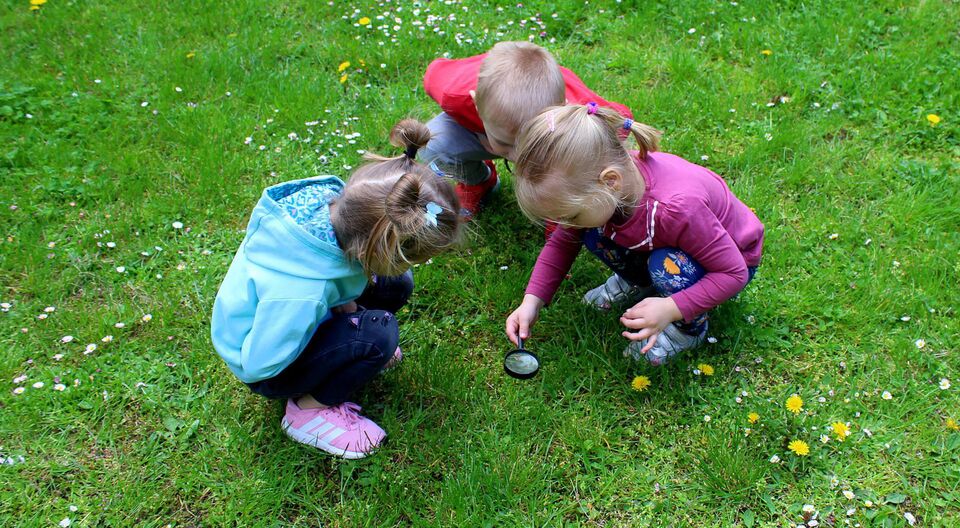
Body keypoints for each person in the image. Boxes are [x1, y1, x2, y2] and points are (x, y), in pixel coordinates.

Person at [211, 120, 462, 459]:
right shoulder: (300, 294)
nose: (412, 267)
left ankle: (347, 345)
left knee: (395, 286)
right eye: (410, 259)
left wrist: (344, 308)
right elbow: (258, 364)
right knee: (378, 336)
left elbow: (338, 276)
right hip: (266, 360)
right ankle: (307, 411)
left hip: (302, 310)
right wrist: (332, 334)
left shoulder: (340, 213)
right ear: (377, 250)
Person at [505, 103, 764, 365]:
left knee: (665, 263)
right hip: (669, 240)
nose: (564, 224)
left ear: (610, 182)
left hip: (729, 261)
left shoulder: (677, 209)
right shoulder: (605, 186)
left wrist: (670, 309)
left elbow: (733, 273)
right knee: (590, 231)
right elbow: (562, 242)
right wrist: (532, 302)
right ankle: (640, 282)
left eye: (569, 215)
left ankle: (687, 331)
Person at [421, 40, 633, 222]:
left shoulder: (579, 114)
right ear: (476, 103)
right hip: (483, 126)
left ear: (562, 107)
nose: (519, 158)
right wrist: (477, 133)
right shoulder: (454, 94)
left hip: (554, 128)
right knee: (431, 141)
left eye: (530, 143)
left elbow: (620, 122)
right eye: (506, 144)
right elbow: (433, 73)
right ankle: (479, 181)